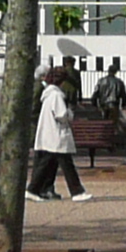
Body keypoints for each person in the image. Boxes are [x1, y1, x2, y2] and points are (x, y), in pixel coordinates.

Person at [30, 65, 91, 203]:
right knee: (66, 164)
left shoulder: (48, 95)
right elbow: (61, 114)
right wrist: (70, 113)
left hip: (49, 134)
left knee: (47, 164)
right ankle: (77, 192)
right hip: (57, 134)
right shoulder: (57, 95)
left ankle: (33, 189)